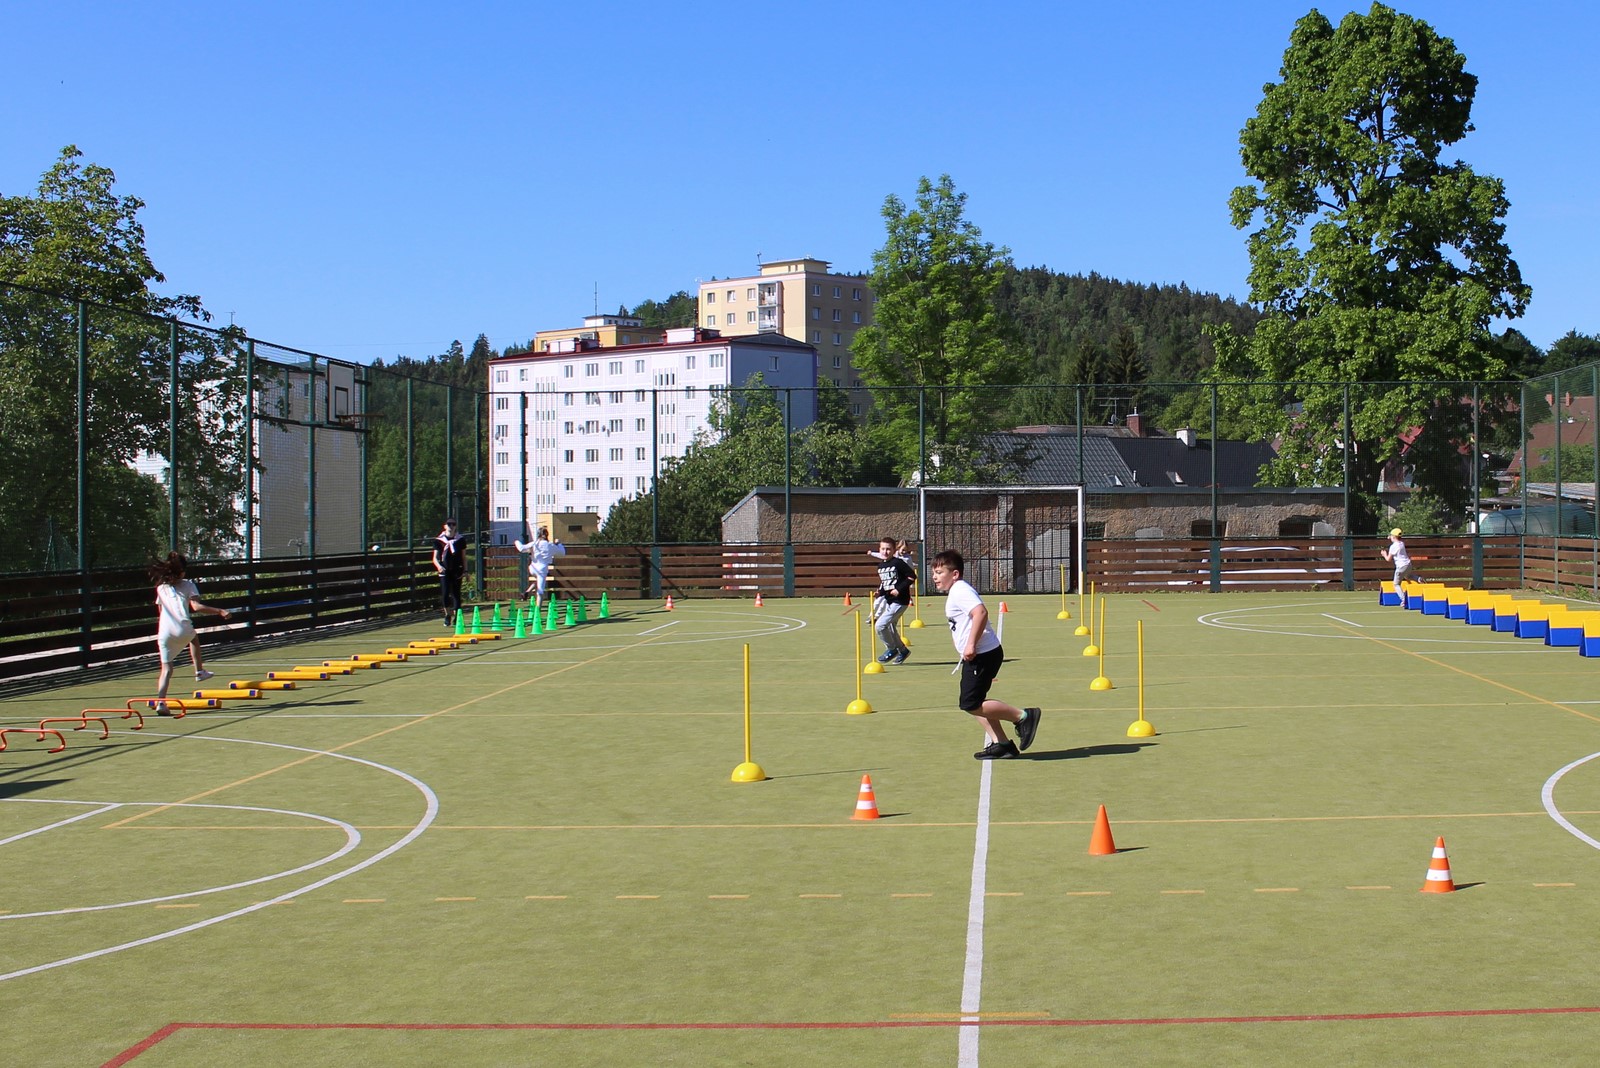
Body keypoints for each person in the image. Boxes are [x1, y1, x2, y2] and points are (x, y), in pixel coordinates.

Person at [931, 549, 1041, 759]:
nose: (935, 577)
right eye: (934, 572)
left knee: (970, 703)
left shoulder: (960, 590)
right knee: (975, 702)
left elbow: (980, 612)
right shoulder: (956, 591)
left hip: (982, 655)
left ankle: (1023, 716)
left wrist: (971, 645)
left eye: (939, 572)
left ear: (954, 574)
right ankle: (1002, 744)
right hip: (980, 655)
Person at [148, 552, 231, 714]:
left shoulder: (161, 588)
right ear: (181, 572)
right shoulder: (188, 585)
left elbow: (160, 611)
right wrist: (220, 611)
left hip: (164, 631)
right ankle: (199, 671)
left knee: (166, 669)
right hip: (182, 626)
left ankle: (161, 703)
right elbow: (196, 607)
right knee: (194, 639)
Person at [868, 535, 915, 664]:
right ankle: (903, 650)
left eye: (888, 549)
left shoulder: (898, 563)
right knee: (890, 627)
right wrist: (880, 592)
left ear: (894, 550)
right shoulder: (881, 566)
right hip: (890, 601)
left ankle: (891, 649)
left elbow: (912, 576)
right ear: (879, 549)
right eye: (883, 549)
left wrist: (899, 589)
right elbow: (886, 583)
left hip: (900, 601)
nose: (885, 551)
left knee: (880, 625)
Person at [513, 524, 567, 610]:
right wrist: (559, 544)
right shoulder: (550, 545)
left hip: (532, 568)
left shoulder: (534, 543)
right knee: (540, 591)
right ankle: (537, 611)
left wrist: (516, 541)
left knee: (538, 581)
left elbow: (522, 549)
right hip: (542, 569)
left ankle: (527, 592)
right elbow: (562, 553)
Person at [432, 518, 467, 625]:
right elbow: (435, 558)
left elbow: (463, 557)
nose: (451, 526)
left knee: (456, 593)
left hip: (457, 569)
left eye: (453, 524)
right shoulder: (439, 541)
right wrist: (439, 566)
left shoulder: (460, 540)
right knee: (445, 593)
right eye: (449, 524)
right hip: (444, 570)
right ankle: (447, 615)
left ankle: (457, 616)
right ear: (445, 526)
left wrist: (465, 570)